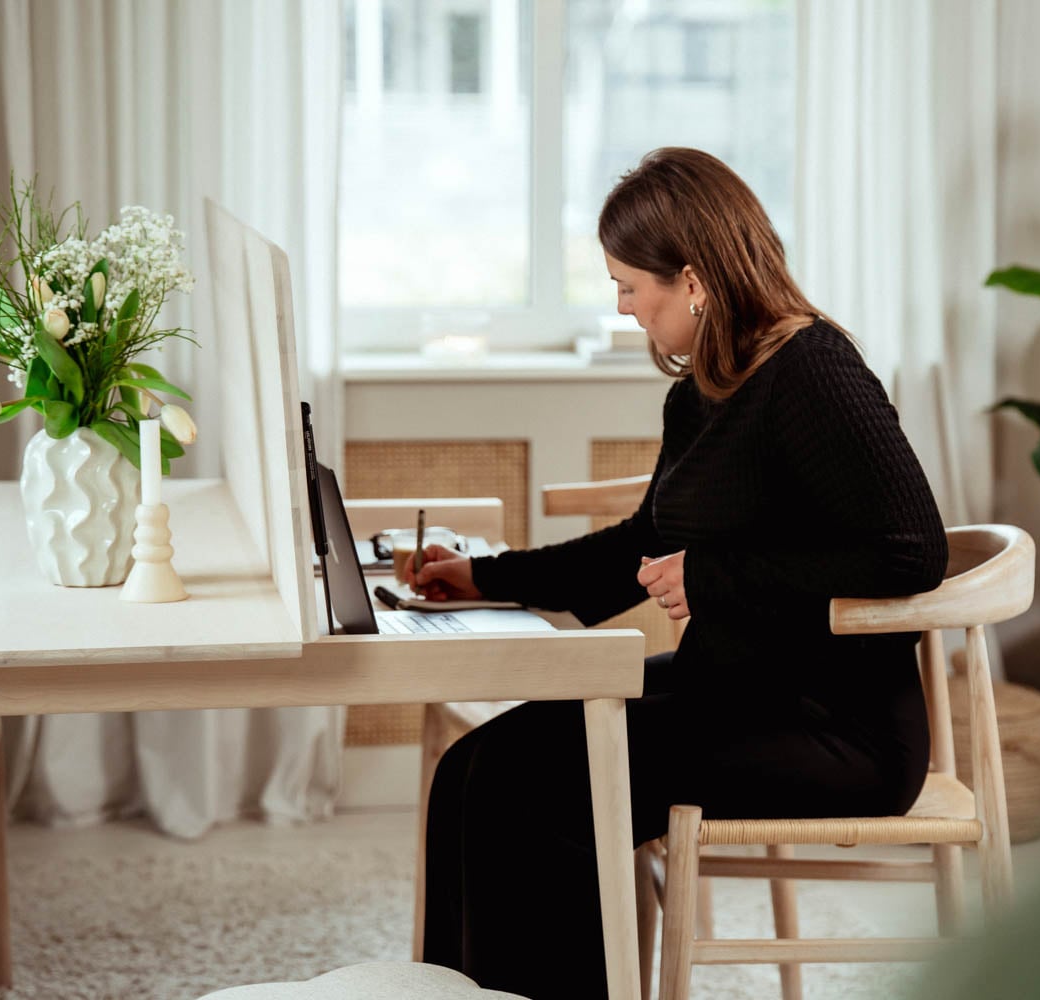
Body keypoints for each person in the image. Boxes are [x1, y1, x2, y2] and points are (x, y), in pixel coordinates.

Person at [404, 146, 948, 999]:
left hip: (835, 728)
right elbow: (639, 547)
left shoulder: (815, 371)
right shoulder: (701, 391)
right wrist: (483, 575)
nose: (623, 308)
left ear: (691, 278)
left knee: (535, 784)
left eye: (629, 286)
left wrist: (718, 578)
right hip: (732, 688)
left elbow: (914, 550)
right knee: (473, 767)